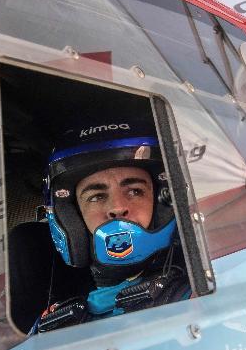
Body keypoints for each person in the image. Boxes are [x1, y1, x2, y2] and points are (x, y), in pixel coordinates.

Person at [32, 119, 190, 333]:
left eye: (135, 191)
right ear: (73, 217)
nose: (117, 207)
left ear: (163, 201)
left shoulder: (200, 294)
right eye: (96, 196)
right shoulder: (52, 329)